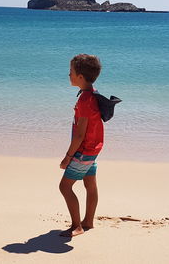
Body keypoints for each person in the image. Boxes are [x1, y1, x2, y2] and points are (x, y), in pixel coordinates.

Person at [59, 54, 104, 237]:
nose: (68, 75)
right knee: (90, 184)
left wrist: (68, 157)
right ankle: (88, 221)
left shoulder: (85, 100)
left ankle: (76, 226)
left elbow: (79, 135)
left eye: (71, 72)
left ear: (80, 77)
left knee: (65, 187)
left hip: (83, 151)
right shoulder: (92, 93)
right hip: (93, 149)